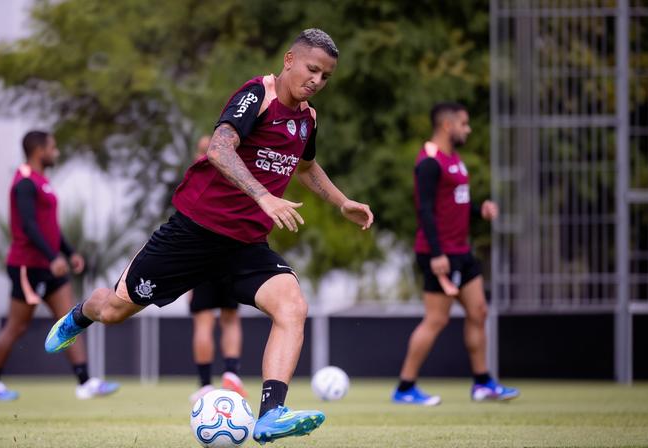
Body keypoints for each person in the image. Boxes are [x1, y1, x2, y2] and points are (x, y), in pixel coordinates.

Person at [44, 29, 373, 444]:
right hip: (194, 233)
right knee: (113, 310)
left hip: (245, 245)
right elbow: (219, 150)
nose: (317, 81)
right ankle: (81, 314)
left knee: (292, 306)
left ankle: (271, 414)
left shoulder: (308, 119)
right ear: (289, 60)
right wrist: (263, 196)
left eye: (326, 76)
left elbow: (305, 167)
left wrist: (342, 202)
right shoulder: (258, 95)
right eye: (312, 69)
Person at [391, 103, 519, 406]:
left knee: (479, 312)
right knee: (436, 319)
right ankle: (405, 387)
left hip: (462, 251)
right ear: (447, 125)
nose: (468, 129)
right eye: (464, 124)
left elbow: (454, 203)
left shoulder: (454, 160)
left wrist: (479, 210)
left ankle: (482, 383)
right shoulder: (430, 161)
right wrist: (437, 254)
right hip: (439, 254)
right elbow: (425, 210)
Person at [0, 130, 119, 401]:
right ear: (39, 150)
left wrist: (69, 252)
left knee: (69, 320)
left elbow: (49, 227)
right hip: (28, 267)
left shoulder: (42, 181)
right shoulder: (25, 182)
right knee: (16, 327)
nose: (56, 152)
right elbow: (29, 226)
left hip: (50, 265)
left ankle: (85, 382)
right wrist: (52, 257)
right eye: (53, 148)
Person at [187, 136, 247, 403]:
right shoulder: (236, 175)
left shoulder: (195, 178)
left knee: (204, 321)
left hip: (201, 255)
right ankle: (231, 374)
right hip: (230, 252)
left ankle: (205, 384)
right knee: (230, 318)